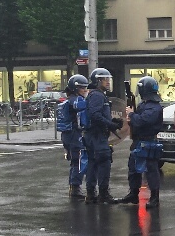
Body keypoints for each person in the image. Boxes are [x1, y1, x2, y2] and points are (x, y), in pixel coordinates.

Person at [120, 76, 165, 209]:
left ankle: (154, 198)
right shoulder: (144, 105)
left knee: (151, 170)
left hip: (148, 141)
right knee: (133, 169)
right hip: (139, 141)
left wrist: (132, 115)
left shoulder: (154, 108)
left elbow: (142, 121)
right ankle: (133, 194)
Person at [84, 68, 124, 205]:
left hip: (94, 135)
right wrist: (110, 125)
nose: (108, 82)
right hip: (97, 136)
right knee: (103, 163)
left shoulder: (96, 95)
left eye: (108, 79)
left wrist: (112, 122)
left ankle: (91, 194)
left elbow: (98, 114)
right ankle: (103, 194)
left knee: (93, 164)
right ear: (97, 81)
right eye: (105, 79)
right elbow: (95, 115)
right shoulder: (97, 95)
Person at [57, 74, 89, 201]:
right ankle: (75, 188)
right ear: (75, 89)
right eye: (82, 88)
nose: (85, 90)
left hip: (67, 135)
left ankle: (73, 188)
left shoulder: (67, 101)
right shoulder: (76, 100)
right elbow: (84, 112)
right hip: (74, 135)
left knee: (74, 162)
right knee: (78, 162)